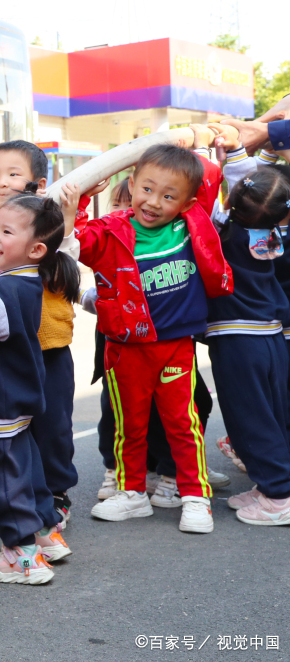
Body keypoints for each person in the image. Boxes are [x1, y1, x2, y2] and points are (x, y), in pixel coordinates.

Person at [63, 132, 231, 534]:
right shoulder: (110, 230)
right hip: (124, 350)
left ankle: (194, 498)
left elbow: (209, 171)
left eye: (168, 196)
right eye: (147, 188)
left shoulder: (193, 224)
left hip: (175, 348)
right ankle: (132, 494)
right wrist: (81, 201)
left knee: (182, 424)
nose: (154, 202)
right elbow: (72, 247)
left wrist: (183, 137)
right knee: (130, 426)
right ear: (133, 182)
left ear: (188, 203)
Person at [0, 194, 76, 584]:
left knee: (3, 479)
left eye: (6, 231)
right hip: (15, 398)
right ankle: (45, 534)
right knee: (28, 469)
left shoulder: (9, 291)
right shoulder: (21, 280)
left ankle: (21, 555)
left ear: (37, 249)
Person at [0, 140, 80, 526]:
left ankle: (53, 497)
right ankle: (36, 507)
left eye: (14, 174)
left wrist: (68, 217)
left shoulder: (47, 232)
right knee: (20, 437)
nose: (2, 181)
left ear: (39, 185)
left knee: (53, 428)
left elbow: (65, 261)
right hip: (7, 352)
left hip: (49, 347)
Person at [91, 177, 226, 504]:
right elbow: (77, 247)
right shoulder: (110, 238)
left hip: (172, 339)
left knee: (183, 413)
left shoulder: (179, 232)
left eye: (165, 196)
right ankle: (121, 475)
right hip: (123, 342)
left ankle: (175, 477)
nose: (128, 213)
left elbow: (201, 182)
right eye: (118, 206)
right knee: (121, 413)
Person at [204, 134, 290, 527]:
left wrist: (209, 158)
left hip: (239, 341)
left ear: (234, 202)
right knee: (272, 414)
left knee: (249, 418)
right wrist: (235, 155)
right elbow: (249, 186)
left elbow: (218, 197)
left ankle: (278, 495)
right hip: (273, 338)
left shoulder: (225, 234)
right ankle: (269, 484)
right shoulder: (270, 234)